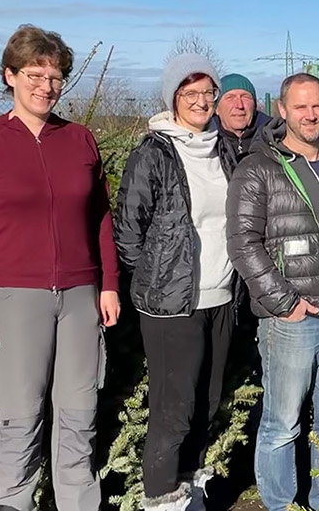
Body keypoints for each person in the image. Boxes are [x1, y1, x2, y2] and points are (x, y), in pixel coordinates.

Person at [0, 25, 121, 511]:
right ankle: (11, 500)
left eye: (55, 76)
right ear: (10, 76)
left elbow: (100, 218)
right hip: (13, 296)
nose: (46, 86)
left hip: (81, 294)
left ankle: (78, 502)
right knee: (20, 414)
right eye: (34, 74)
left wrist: (108, 283)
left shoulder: (79, 140)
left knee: (79, 410)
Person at [226, 73, 319, 511]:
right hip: (293, 323)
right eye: (301, 107)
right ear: (282, 110)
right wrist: (285, 303)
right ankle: (281, 505)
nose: (310, 115)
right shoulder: (260, 167)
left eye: (317, 106)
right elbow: (242, 242)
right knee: (282, 424)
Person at [114, 54, 238, 511]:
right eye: (191, 94)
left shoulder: (223, 148)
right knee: (174, 408)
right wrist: (156, 279)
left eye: (208, 92)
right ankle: (161, 496)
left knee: (207, 400)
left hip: (222, 296)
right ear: (173, 99)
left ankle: (192, 484)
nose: (202, 101)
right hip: (172, 305)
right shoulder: (154, 153)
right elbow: (128, 231)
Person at [214, 73, 269, 164]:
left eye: (245, 97)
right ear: (216, 109)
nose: (239, 105)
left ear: (254, 106)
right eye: (230, 98)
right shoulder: (205, 143)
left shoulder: (273, 139)